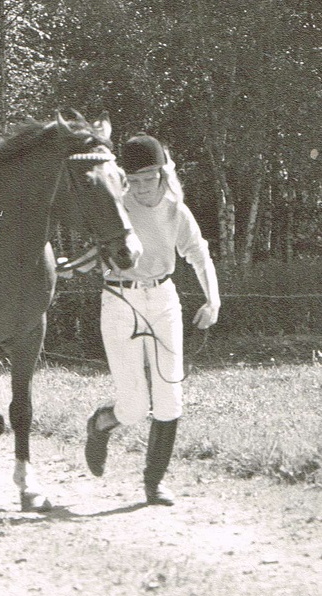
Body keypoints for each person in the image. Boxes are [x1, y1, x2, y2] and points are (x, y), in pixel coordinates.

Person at [62, 134, 221, 506]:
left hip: (164, 300)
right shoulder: (117, 206)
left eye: (150, 177)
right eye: (134, 179)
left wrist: (213, 300)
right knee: (133, 408)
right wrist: (67, 269)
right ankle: (101, 423)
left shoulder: (175, 210)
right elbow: (94, 254)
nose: (143, 186)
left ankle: (153, 483)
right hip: (120, 301)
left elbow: (200, 256)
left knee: (170, 399)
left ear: (164, 173)